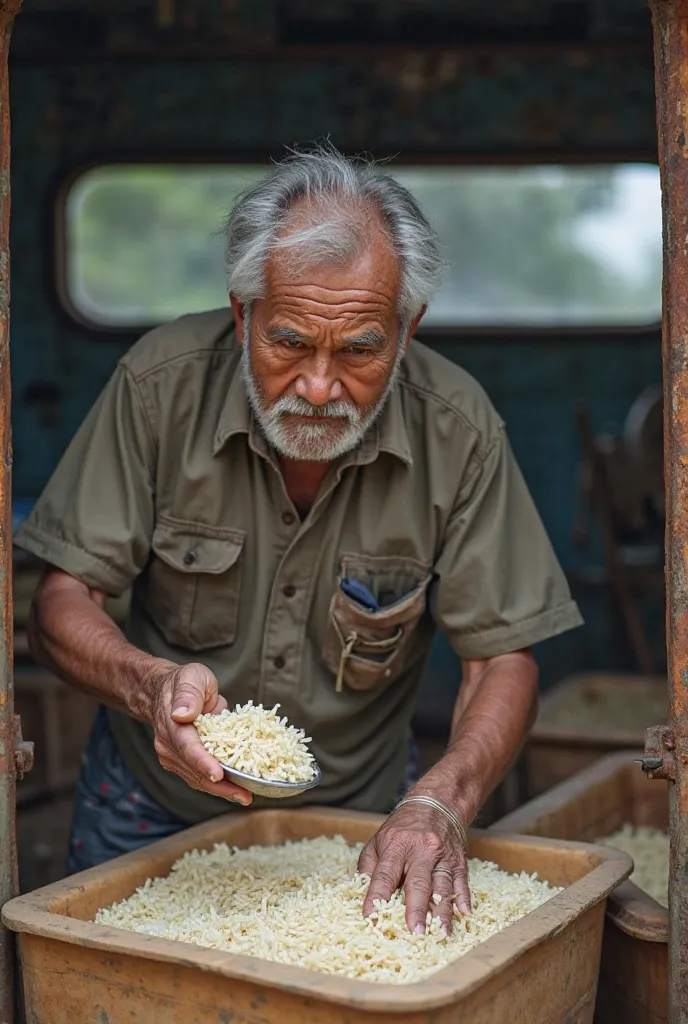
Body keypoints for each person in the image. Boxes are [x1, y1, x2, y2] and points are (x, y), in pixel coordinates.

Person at [17, 145, 582, 935]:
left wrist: (440, 804)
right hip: (153, 793)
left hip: (367, 814)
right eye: (288, 342)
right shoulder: (158, 386)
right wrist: (150, 687)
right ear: (244, 313)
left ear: (407, 329)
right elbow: (61, 601)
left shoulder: (460, 428)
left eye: (359, 350)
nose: (319, 388)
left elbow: (500, 657)